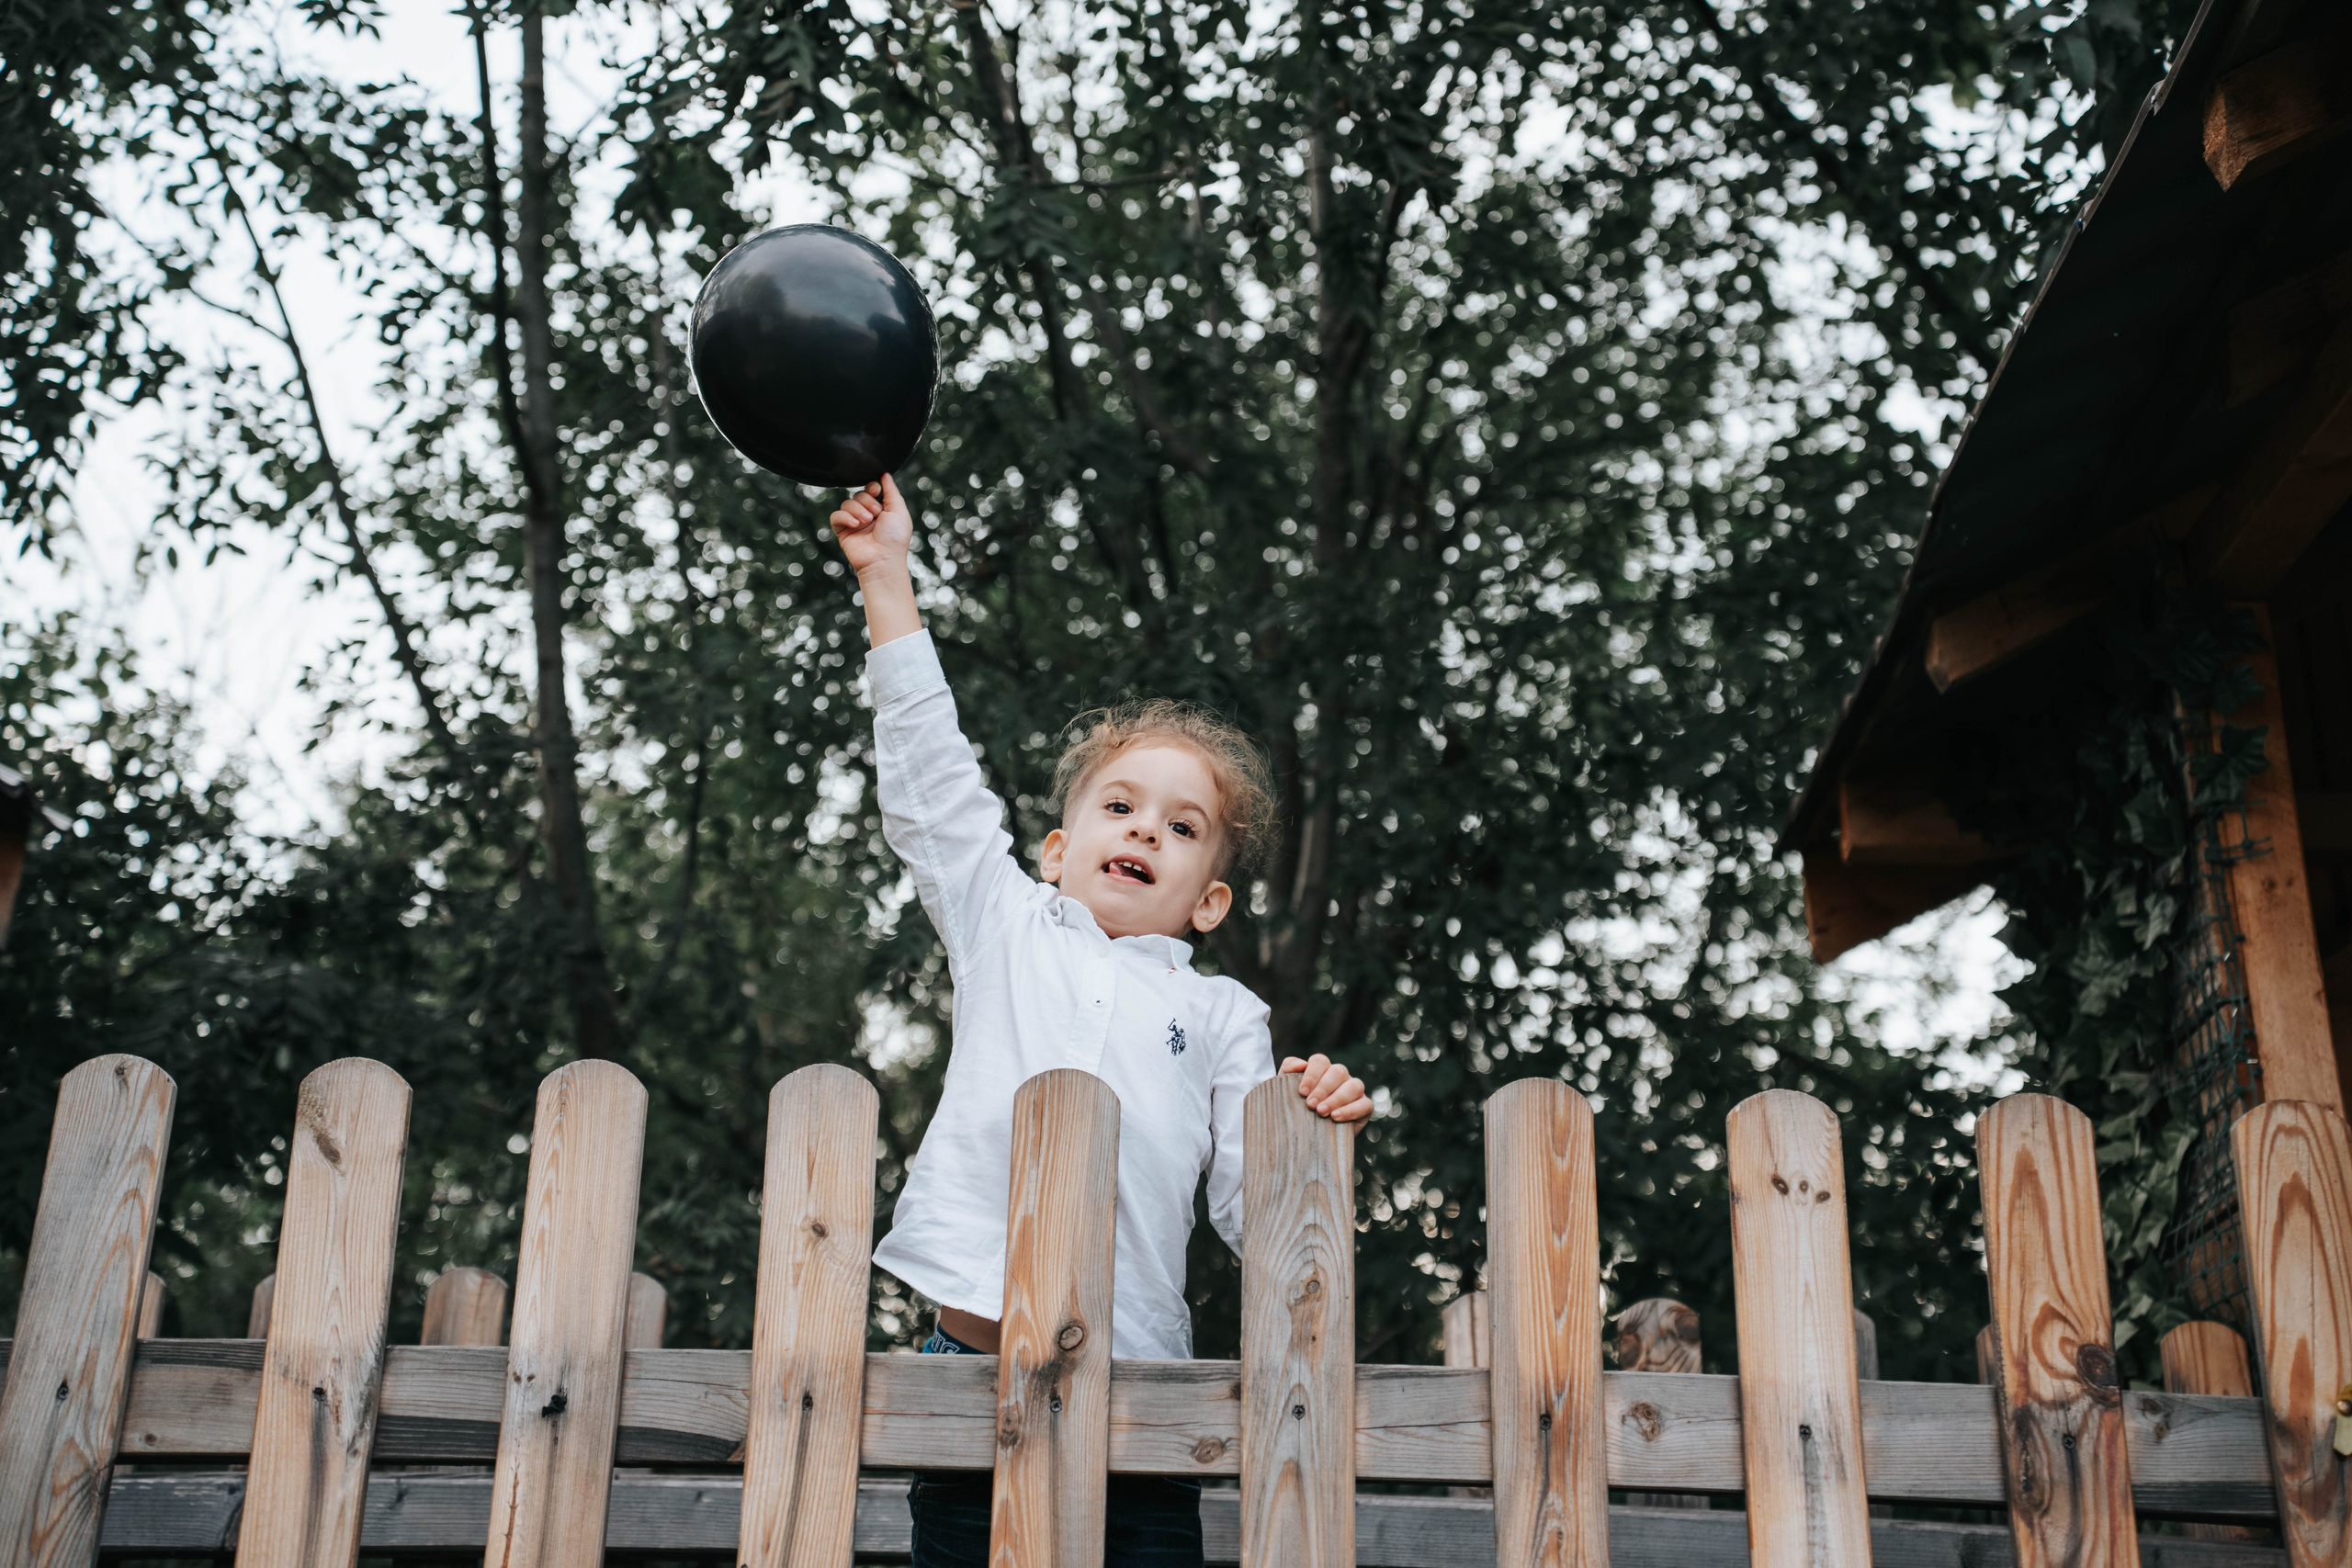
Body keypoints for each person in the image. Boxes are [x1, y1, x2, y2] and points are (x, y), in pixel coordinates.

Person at [829, 474, 1374, 1568]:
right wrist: (887, 578)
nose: (1144, 831)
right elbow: (932, 779)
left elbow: (1248, 1214)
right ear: (1057, 848)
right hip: (971, 1376)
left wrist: (1315, 1124)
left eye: (1181, 827)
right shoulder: (1006, 927)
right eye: (1118, 807)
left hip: (1139, 1398)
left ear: (1209, 900)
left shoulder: (1223, 1013)